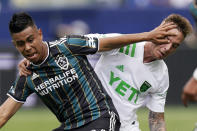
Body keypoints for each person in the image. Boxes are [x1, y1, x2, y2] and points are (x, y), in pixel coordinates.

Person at [0, 12, 176, 131]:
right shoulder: (27, 75)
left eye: (30, 40)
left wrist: (147, 35)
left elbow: (106, 43)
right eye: (21, 44)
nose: (28, 47)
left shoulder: (68, 46)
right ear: (15, 45)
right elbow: (3, 114)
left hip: (100, 118)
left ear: (39, 34)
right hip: (70, 126)